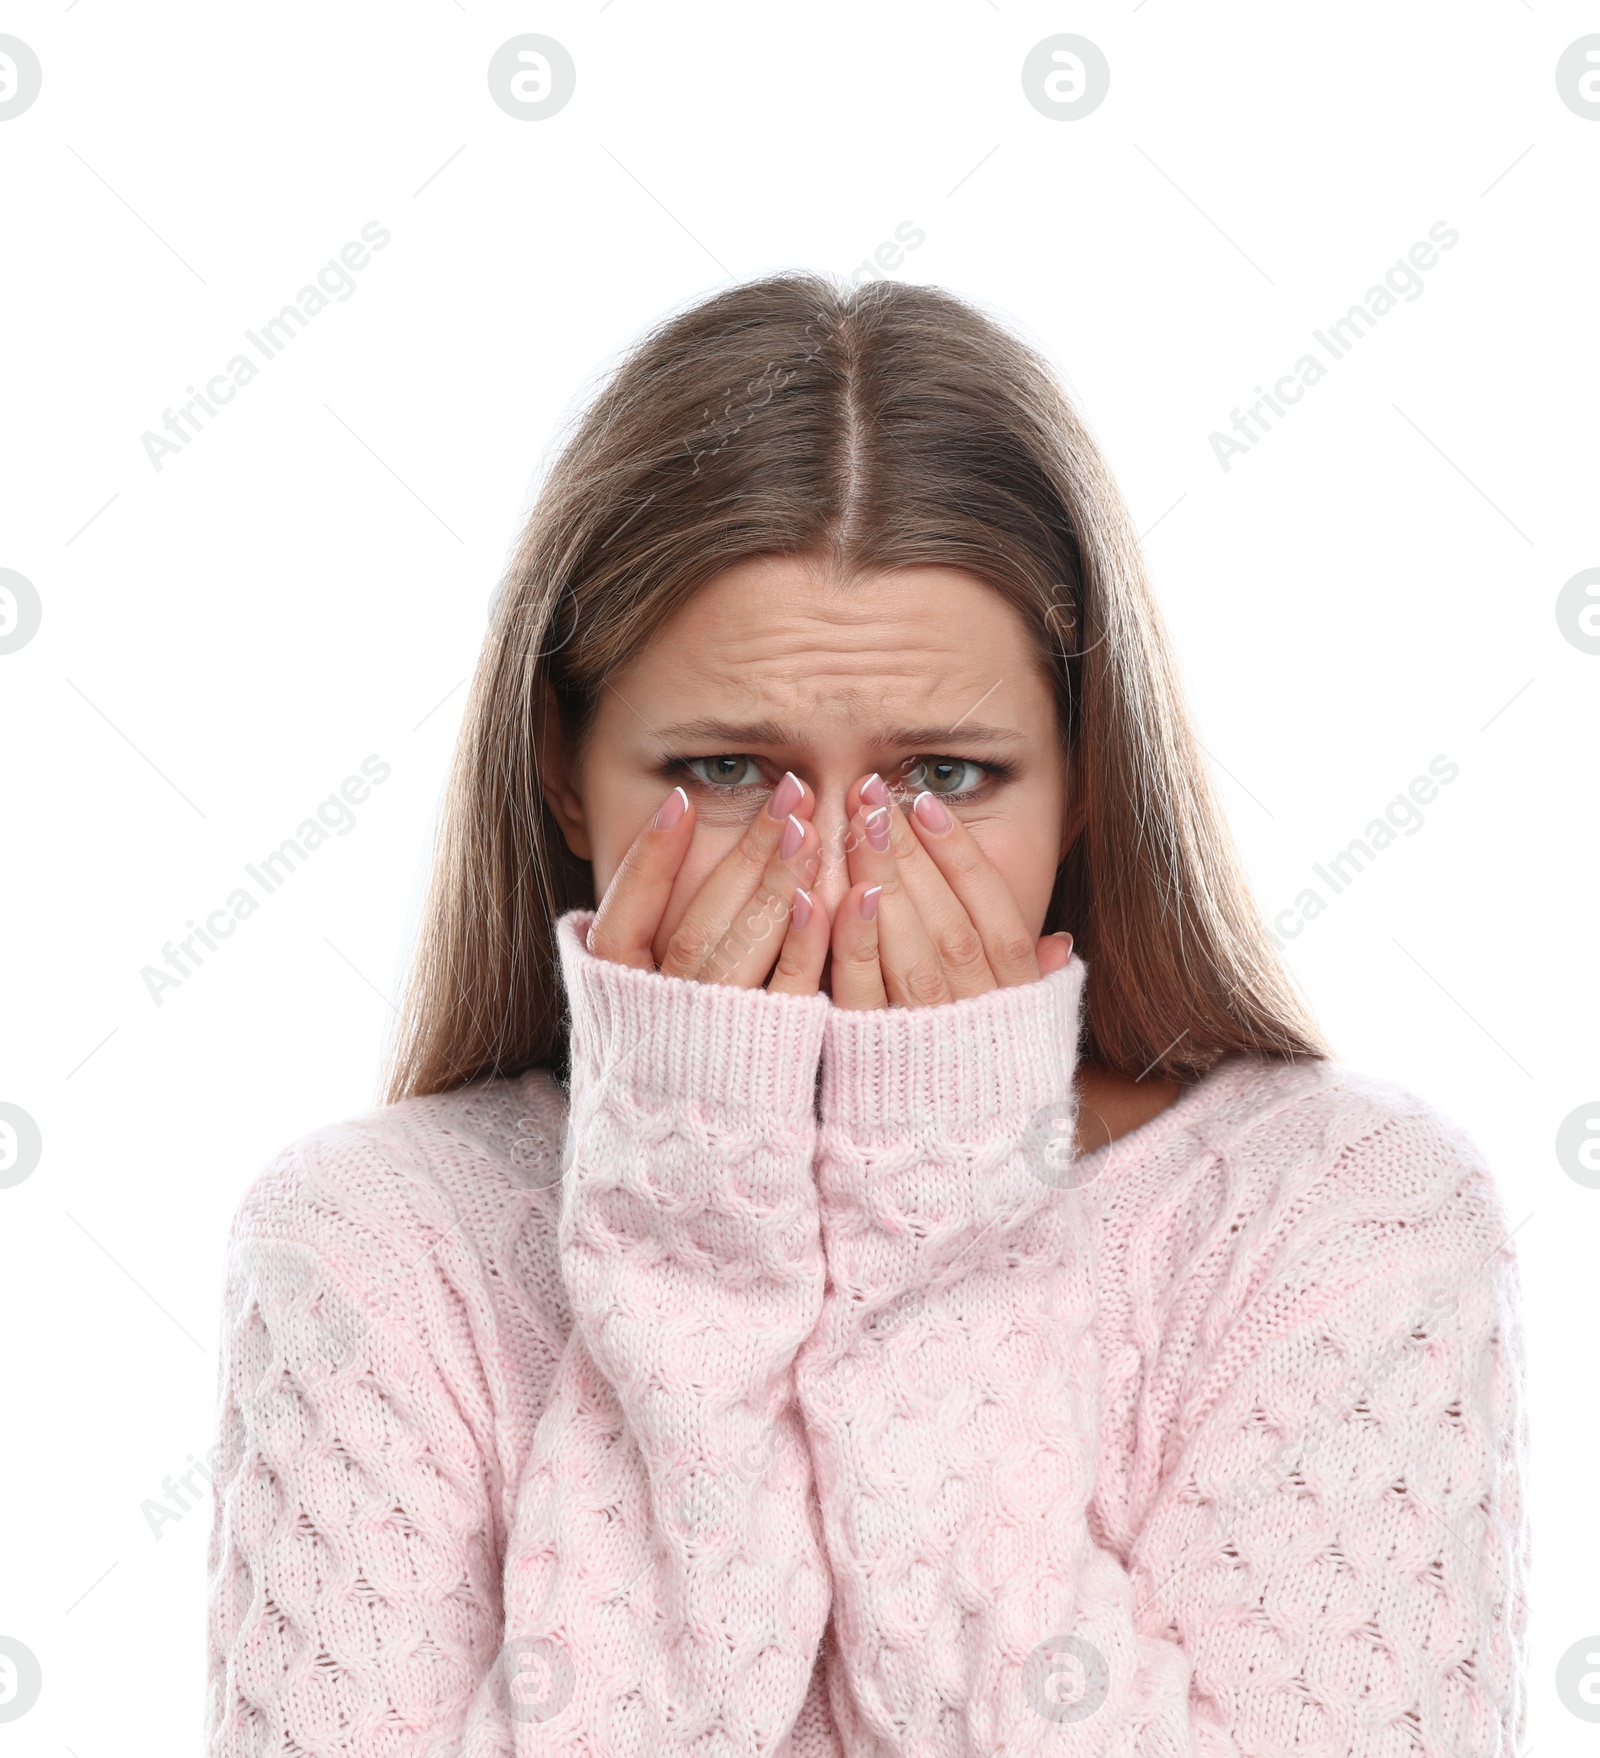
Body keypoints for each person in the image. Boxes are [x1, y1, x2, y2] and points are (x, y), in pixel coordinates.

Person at [205, 274, 1528, 1755]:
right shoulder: (373, 1248)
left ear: (1088, 771)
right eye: (722, 771)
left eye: (945, 777)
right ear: (563, 764)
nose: (836, 876)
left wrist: (939, 1230)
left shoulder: (1342, 1223)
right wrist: (689, 1226)